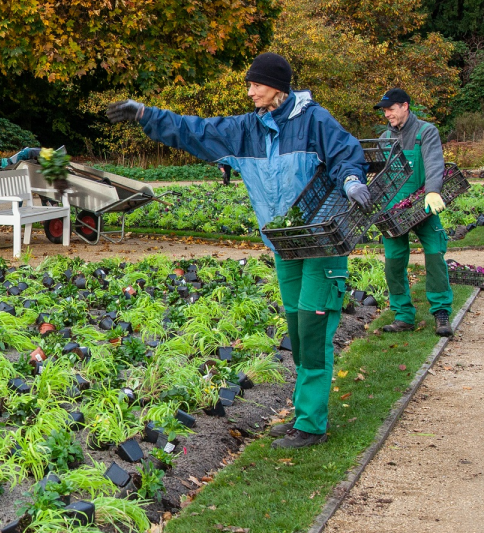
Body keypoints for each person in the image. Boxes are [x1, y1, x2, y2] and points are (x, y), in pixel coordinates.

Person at [107, 53, 370, 449]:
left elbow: (345, 152)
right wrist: (145, 114)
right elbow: (192, 130)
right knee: (298, 335)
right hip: (286, 245)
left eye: (256, 85)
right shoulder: (247, 129)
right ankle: (304, 415)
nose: (250, 92)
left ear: (278, 87)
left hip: (321, 243)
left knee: (313, 336)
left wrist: (351, 181)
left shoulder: (315, 121)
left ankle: (312, 426)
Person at [374, 88, 453, 337]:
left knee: (435, 255)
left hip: (423, 205)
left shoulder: (425, 132)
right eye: (385, 110)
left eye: (391, 108)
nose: (387, 114)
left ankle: (441, 313)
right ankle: (403, 315)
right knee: (394, 263)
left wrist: (432, 191)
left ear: (405, 106)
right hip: (394, 211)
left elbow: (433, 162)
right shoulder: (384, 138)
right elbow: (380, 175)